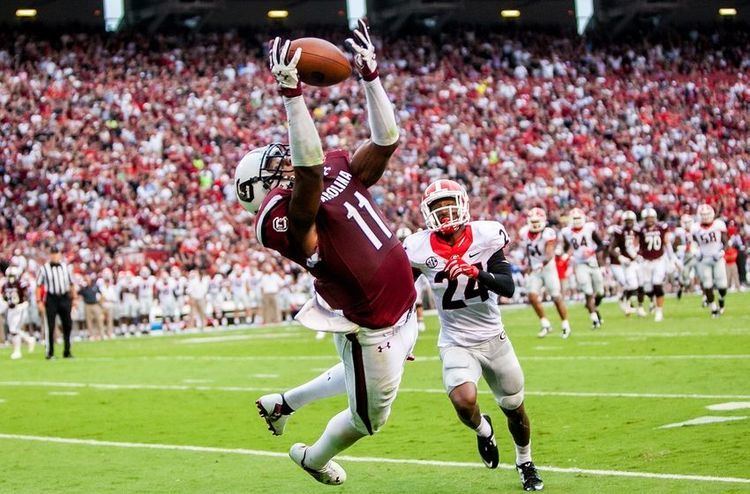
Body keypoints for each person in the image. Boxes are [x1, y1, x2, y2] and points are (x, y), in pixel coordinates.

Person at [240, 20, 416, 485]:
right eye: (272, 168)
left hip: (404, 304)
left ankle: (282, 403)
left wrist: (371, 80)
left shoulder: (330, 167)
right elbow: (311, 172)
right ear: (262, 191)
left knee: (363, 376)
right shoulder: (282, 220)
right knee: (368, 421)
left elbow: (386, 142)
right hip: (369, 321)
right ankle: (312, 458)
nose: (282, 163)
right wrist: (292, 97)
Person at [403, 179, 543, 491]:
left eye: (449, 203)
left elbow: (508, 286)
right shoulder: (417, 247)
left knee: (515, 407)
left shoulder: (487, 234)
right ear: (427, 213)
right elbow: (403, 294)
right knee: (464, 402)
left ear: (463, 204)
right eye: (437, 207)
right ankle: (484, 431)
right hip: (455, 339)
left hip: (493, 337)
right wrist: (403, 335)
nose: (445, 212)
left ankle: (525, 461)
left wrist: (475, 271)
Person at [519, 208, 570, 339]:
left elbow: (549, 252)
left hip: (548, 268)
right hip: (535, 268)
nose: (535, 224)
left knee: (556, 296)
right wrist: (529, 265)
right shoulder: (524, 233)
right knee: (532, 296)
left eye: (538, 221)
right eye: (533, 221)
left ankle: (565, 325)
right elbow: (527, 251)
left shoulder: (548, 233)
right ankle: (545, 324)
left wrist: (541, 264)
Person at [561, 209, 605, 329]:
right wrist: (565, 254)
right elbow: (566, 247)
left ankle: (592, 307)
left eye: (578, 218)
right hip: (579, 264)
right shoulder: (566, 232)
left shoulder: (589, 228)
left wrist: (592, 251)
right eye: (574, 219)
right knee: (588, 291)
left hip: (592, 262)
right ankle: (594, 318)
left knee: (601, 292)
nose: (576, 221)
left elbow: (601, 245)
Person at [36, 245, 76, 359]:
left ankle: (67, 351)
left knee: (67, 324)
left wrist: (75, 298)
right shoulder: (44, 269)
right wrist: (39, 301)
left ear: (59, 254)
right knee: (50, 325)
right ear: (50, 255)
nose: (54, 256)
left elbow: (72, 284)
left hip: (64, 297)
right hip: (51, 298)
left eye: (56, 253)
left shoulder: (65, 267)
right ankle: (50, 352)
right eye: (52, 253)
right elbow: (38, 286)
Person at [691, 204, 728, 317]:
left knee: (722, 285)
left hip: (717, 257)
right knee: (707, 284)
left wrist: (721, 252)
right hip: (704, 258)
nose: (706, 217)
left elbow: (725, 241)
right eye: (703, 215)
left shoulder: (718, 224)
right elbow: (693, 243)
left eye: (707, 214)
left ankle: (721, 300)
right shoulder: (695, 227)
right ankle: (713, 308)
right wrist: (696, 252)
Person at [637, 208, 671, 322]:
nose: (650, 220)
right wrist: (635, 255)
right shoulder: (640, 229)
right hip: (645, 262)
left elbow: (667, 243)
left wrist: (672, 258)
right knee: (647, 288)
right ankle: (652, 301)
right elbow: (635, 244)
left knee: (657, 284)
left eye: (651, 218)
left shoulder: (661, 228)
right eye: (647, 218)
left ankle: (659, 311)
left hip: (659, 260)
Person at [608, 210, 641, 315]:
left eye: (630, 221)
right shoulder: (619, 232)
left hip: (635, 259)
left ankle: (631, 304)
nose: (629, 223)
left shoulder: (637, 231)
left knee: (640, 284)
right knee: (631, 284)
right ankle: (625, 301)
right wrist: (621, 257)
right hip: (624, 263)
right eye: (627, 221)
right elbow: (610, 249)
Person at [1, 266, 36, 359]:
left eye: (12, 275)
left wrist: (23, 304)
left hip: (20, 308)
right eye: (9, 276)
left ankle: (17, 351)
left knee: (14, 330)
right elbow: (4, 297)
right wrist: (6, 304)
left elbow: (27, 295)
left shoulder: (21, 284)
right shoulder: (5, 285)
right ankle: (29, 340)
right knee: (13, 329)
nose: (11, 278)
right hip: (10, 309)